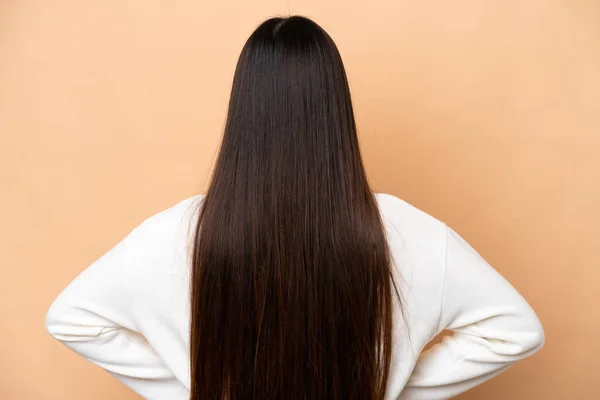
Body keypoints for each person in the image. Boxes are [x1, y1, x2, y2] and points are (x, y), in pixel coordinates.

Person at [45, 15, 544, 400]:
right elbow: (516, 331)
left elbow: (71, 317)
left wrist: (192, 389)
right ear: (335, 113)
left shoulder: (173, 234)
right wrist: (392, 387)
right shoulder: (409, 231)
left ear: (245, 111)